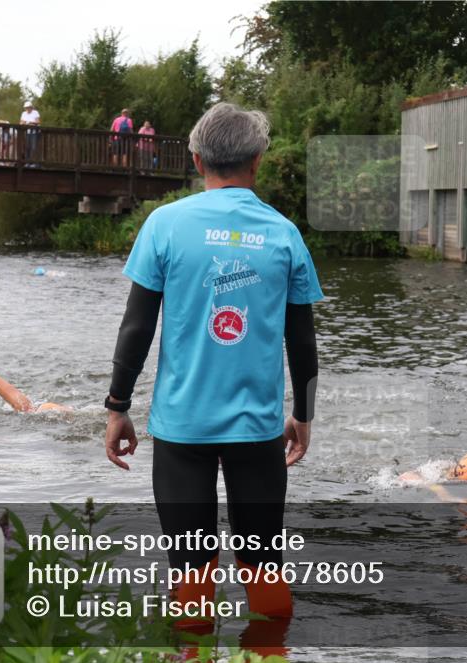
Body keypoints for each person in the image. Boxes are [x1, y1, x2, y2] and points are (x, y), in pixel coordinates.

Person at [103, 102, 323, 626]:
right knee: (264, 563)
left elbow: (137, 328)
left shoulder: (164, 225)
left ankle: (193, 655)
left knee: (190, 568)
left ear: (197, 160)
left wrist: (117, 407)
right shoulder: (284, 234)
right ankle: (269, 658)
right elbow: (303, 341)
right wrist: (304, 416)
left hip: (182, 432)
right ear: (258, 162)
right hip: (257, 433)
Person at [20, 101, 41, 165]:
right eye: (26, 108)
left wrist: (31, 123)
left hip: (35, 132)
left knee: (34, 147)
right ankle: (27, 162)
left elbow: (38, 122)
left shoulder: (35, 112)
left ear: (31, 107)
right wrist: (25, 123)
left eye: (28, 107)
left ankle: (34, 162)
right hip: (27, 132)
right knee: (27, 147)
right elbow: (21, 123)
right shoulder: (23, 113)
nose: (27, 109)